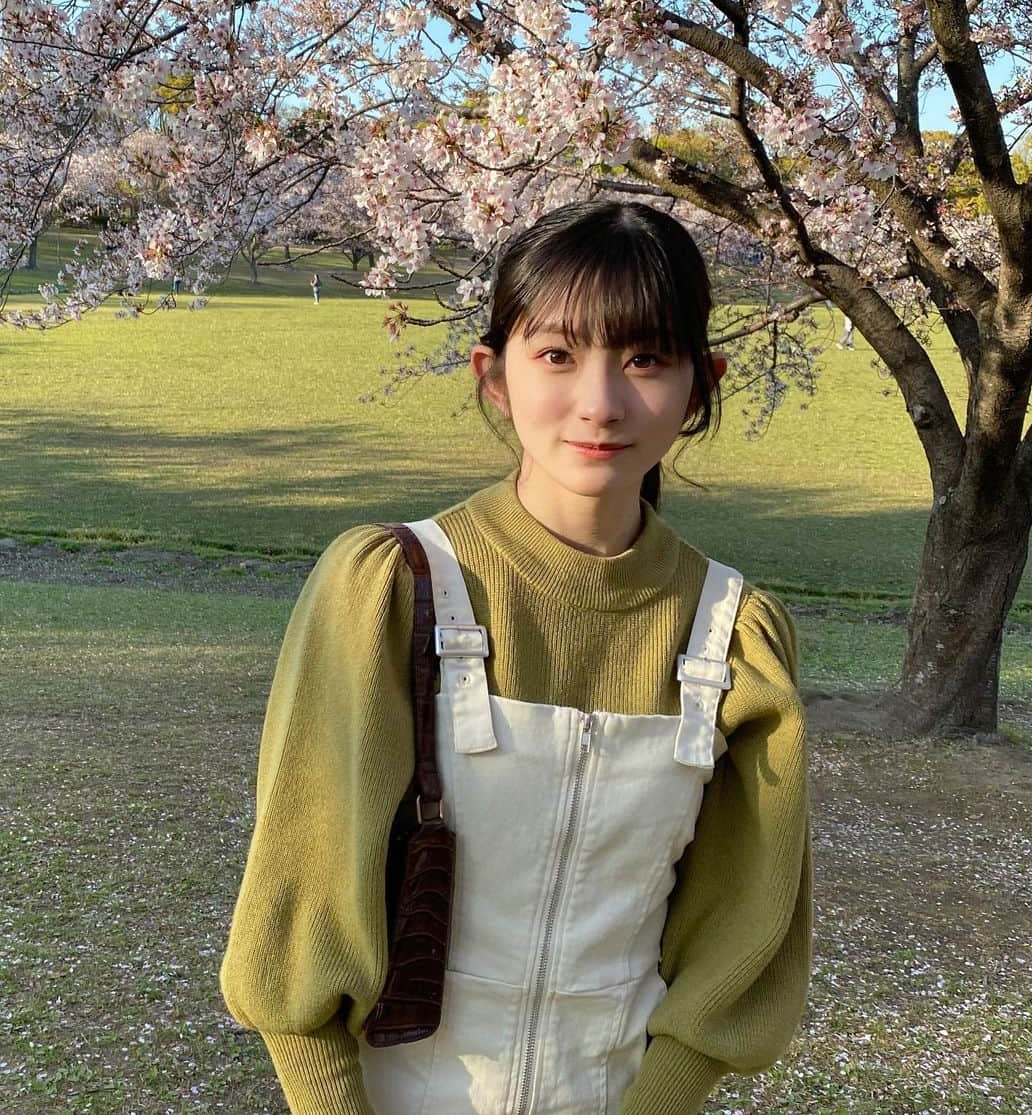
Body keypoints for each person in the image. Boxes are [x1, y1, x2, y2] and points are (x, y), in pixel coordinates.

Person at [219, 199, 812, 1115]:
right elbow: (301, 911)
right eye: (558, 354)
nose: (600, 403)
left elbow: (739, 929)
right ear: (494, 376)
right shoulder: (388, 588)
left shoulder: (736, 635)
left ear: (702, 384)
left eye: (646, 358)